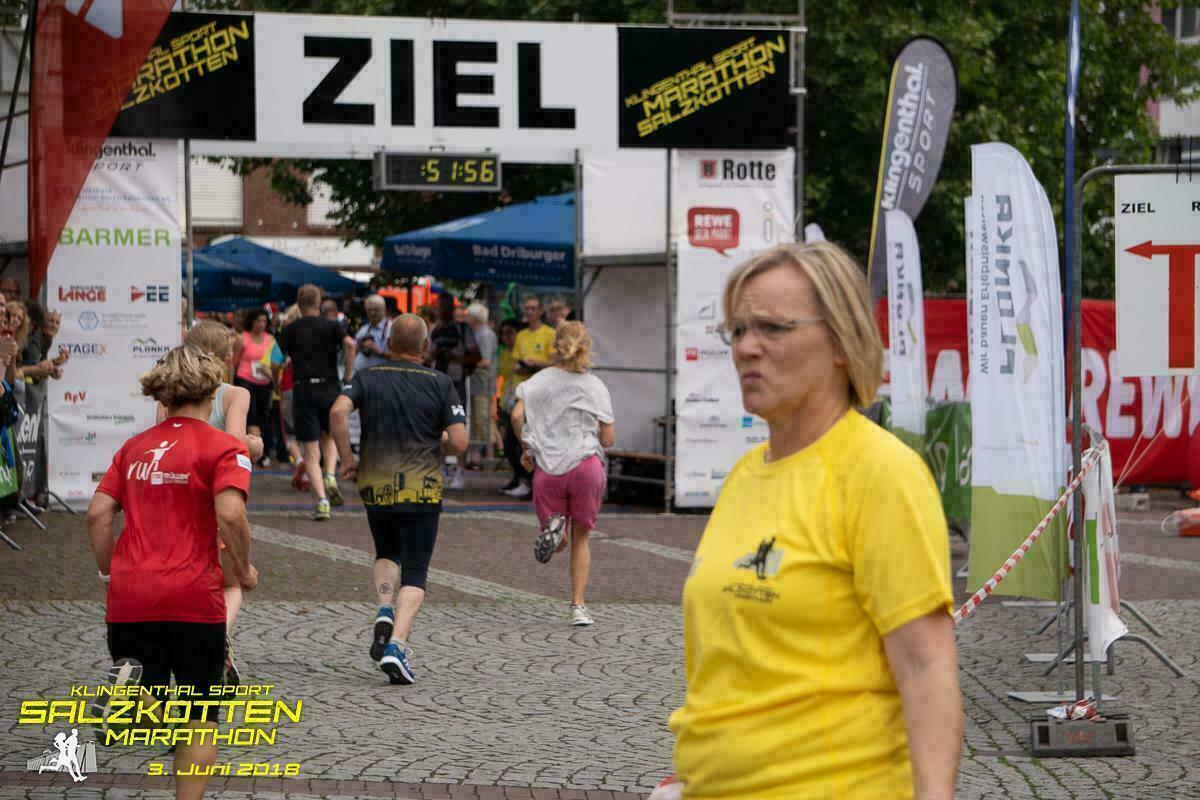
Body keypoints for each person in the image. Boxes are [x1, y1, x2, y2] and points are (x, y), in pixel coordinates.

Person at [668, 242, 961, 800]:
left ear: (842, 343)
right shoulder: (745, 475)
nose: (746, 348)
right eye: (737, 330)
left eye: (772, 328)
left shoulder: (881, 473)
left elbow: (926, 669)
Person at [87, 345, 257, 800]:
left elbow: (97, 514)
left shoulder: (133, 448)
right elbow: (231, 514)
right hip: (194, 598)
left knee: (157, 712)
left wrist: (109, 570)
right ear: (213, 391)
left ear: (162, 394)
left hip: (130, 596)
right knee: (201, 717)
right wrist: (242, 568)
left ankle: (133, 697)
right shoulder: (226, 447)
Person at [330, 314, 467, 685]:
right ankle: (397, 646)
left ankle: (384, 607)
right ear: (425, 346)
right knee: (416, 570)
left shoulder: (367, 377)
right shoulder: (440, 383)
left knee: (386, 551)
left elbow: (338, 412)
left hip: (375, 482)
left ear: (389, 343)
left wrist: (347, 459)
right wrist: (434, 440)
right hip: (422, 488)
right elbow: (459, 442)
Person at [153, 321, 264, 685]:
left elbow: (161, 440)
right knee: (230, 585)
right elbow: (233, 444)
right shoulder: (235, 394)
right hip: (215, 499)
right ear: (226, 357)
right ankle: (219, 637)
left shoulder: (169, 395)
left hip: (174, 506)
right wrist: (255, 444)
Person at [512, 322, 614, 627]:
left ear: (555, 345)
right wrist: (597, 429)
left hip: (548, 469)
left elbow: (516, 415)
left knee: (561, 537)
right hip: (585, 465)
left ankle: (558, 534)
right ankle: (578, 607)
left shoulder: (537, 381)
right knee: (583, 539)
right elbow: (609, 439)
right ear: (587, 347)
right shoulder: (595, 385)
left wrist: (527, 447)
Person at [278, 284, 354, 520]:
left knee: (311, 451)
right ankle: (330, 474)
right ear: (319, 302)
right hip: (330, 386)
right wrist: (348, 374)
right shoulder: (333, 325)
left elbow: (278, 359)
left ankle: (322, 501)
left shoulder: (290, 329)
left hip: (303, 388)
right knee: (329, 437)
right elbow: (350, 344)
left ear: (299, 304)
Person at [504, 297, 556, 498]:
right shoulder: (522, 335)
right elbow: (516, 362)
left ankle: (535, 483)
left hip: (541, 395)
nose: (529, 312)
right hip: (521, 392)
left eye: (533, 308)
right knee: (512, 442)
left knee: (536, 440)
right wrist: (523, 366)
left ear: (541, 311)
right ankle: (522, 478)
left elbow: (554, 363)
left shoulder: (550, 334)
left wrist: (536, 364)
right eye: (526, 308)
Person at [427, 293, 480, 490]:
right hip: (437, 382)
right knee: (438, 425)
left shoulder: (462, 329)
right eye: (440, 306)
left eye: (446, 306)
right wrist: (434, 355)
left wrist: (454, 358)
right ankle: (441, 468)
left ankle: (460, 470)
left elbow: (476, 355)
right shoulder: (435, 330)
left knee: (458, 425)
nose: (443, 310)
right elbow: (427, 356)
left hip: (457, 382)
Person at [231, 309, 277, 466]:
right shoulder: (242, 338)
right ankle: (257, 455)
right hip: (245, 380)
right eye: (258, 321)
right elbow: (234, 363)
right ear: (251, 322)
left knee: (263, 416)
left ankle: (259, 450)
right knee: (251, 416)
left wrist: (273, 376)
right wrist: (231, 383)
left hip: (264, 383)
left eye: (264, 321)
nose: (261, 324)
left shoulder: (270, 339)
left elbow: (277, 362)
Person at [465, 303, 497, 470]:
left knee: (483, 419)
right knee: (476, 420)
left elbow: (486, 361)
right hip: (476, 383)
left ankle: (492, 455)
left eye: (468, 316)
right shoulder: (476, 333)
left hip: (483, 383)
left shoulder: (485, 334)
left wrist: (465, 362)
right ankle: (475, 457)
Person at [496, 319, 523, 492]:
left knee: (519, 444)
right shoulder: (504, 353)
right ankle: (517, 477)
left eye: (510, 333)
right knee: (508, 445)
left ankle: (524, 479)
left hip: (520, 399)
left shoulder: (522, 351)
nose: (506, 337)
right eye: (504, 333)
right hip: (507, 400)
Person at [353, 295, 392, 373]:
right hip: (361, 374)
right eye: (369, 310)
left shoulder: (392, 328)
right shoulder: (364, 329)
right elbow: (353, 350)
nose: (372, 313)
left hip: (382, 375)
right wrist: (359, 346)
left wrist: (379, 352)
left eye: (376, 310)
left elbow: (400, 356)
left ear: (384, 310)